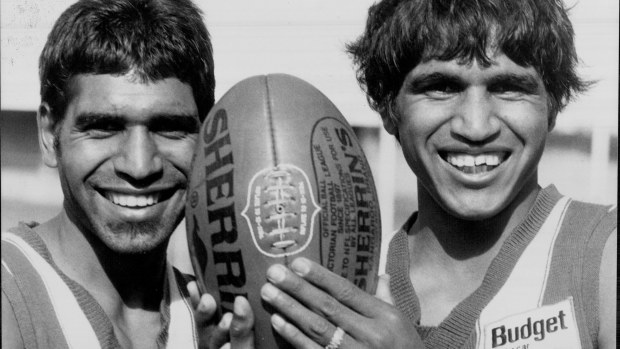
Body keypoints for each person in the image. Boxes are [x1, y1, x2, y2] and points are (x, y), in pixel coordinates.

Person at [257, 0, 617, 348]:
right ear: (388, 106)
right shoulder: (342, 277)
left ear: (553, 105)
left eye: (507, 87)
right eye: (442, 87)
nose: (476, 127)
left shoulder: (601, 256)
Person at [0, 0, 254, 348]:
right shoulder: (11, 294)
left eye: (169, 128)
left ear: (206, 139)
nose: (139, 166)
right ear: (49, 135)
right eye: (104, 127)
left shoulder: (218, 318)